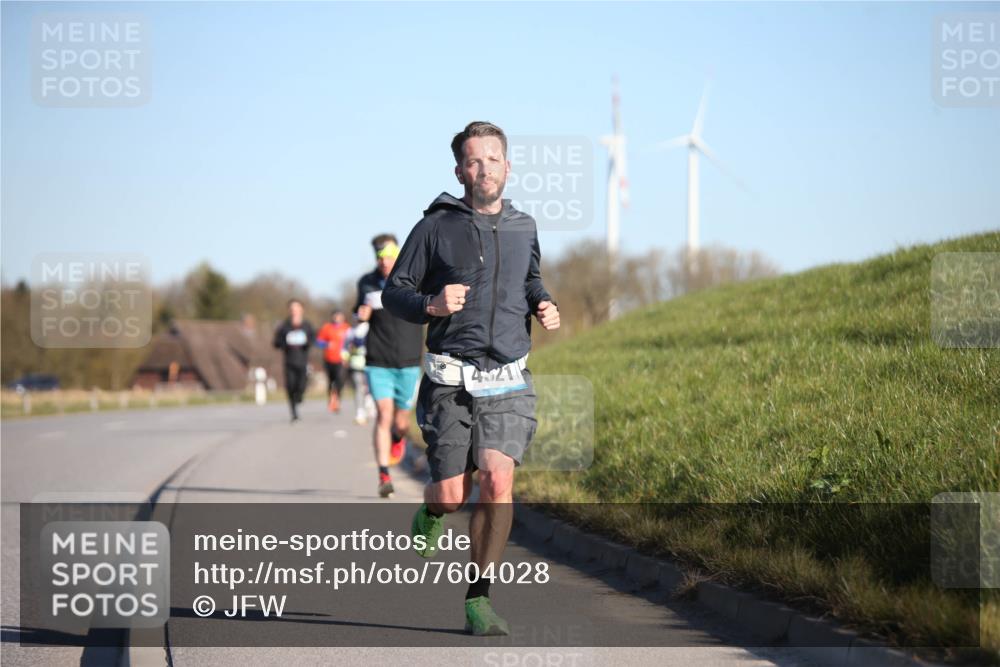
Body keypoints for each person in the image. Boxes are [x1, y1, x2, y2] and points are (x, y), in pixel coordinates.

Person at [383, 121, 560, 635]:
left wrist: (542, 302)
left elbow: (529, 278)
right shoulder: (435, 228)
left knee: (498, 477)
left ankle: (478, 598)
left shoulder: (524, 225)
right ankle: (432, 512)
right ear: (460, 170)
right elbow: (396, 291)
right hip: (449, 381)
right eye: (473, 161)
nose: (484, 169)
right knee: (451, 495)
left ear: (508, 166)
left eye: (493, 159)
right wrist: (430, 304)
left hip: (508, 377)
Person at [355, 234, 424, 498]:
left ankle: (398, 438)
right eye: (379, 256)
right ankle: (384, 475)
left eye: (388, 255)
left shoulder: (414, 279)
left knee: (401, 422)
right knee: (384, 415)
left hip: (408, 361)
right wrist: (360, 315)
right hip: (378, 360)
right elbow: (357, 314)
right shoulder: (367, 283)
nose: (384, 261)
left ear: (398, 253)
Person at [272, 299, 317, 422]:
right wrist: (285, 342)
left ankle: (300, 396)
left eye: (296, 308)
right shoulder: (284, 326)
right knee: (290, 386)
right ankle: (294, 412)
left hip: (303, 361)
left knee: (301, 385)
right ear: (289, 310)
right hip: (289, 361)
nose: (294, 311)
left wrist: (306, 342)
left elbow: (313, 339)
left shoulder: (307, 325)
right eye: (292, 308)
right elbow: (276, 343)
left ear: (301, 309)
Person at [316, 310, 350, 413]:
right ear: (332, 317)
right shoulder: (327, 327)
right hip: (329, 359)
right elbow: (318, 342)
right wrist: (326, 344)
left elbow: (352, 342)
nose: (337, 318)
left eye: (339, 316)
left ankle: (337, 399)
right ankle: (331, 399)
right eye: (335, 316)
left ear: (343, 318)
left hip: (341, 360)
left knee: (340, 380)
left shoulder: (347, 328)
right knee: (331, 381)